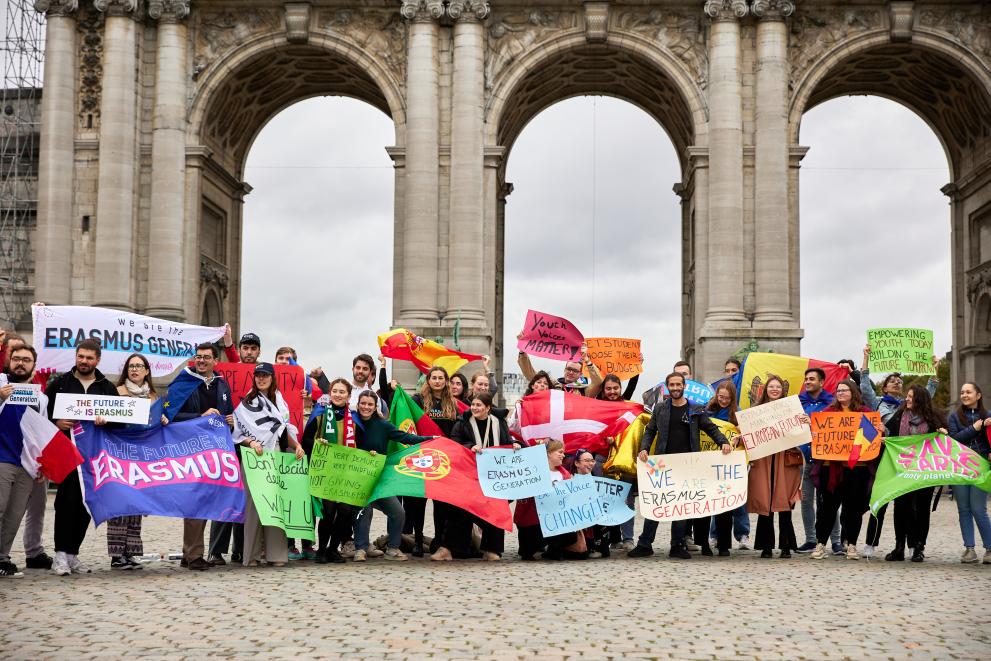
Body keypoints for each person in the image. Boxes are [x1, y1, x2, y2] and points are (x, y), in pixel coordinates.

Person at [628, 372, 731, 559]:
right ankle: (645, 544)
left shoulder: (695, 409)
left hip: (687, 466)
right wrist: (644, 448)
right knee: (657, 503)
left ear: (684, 386)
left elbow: (710, 428)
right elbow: (650, 431)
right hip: (662, 464)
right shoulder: (659, 408)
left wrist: (723, 442)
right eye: (672, 385)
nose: (675, 388)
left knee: (681, 505)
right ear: (668, 387)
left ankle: (677, 544)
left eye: (678, 384)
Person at [45, 338, 120, 576]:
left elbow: (120, 420)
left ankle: (72, 554)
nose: (84, 361)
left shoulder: (106, 387)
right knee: (66, 502)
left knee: (86, 504)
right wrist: (56, 423)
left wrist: (108, 420)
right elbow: (41, 415)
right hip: (67, 454)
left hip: (94, 457)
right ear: (76, 357)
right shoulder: (60, 384)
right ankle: (59, 555)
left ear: (97, 360)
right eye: (81, 357)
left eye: (89, 358)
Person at [168, 342, 235, 571]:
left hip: (214, 451)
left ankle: (192, 554)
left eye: (206, 357)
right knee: (195, 501)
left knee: (206, 500)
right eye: (198, 357)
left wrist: (230, 421)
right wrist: (200, 415)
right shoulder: (183, 382)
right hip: (190, 449)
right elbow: (170, 416)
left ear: (215, 361)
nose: (202, 361)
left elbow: (228, 413)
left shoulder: (222, 385)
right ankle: (193, 554)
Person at [233, 363, 305, 567]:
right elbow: (238, 433)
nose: (261, 379)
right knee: (254, 507)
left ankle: (276, 554)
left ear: (272, 378)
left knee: (275, 504)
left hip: (276, 455)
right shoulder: (247, 402)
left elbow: (283, 431)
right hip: (254, 457)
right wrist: (251, 442)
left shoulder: (280, 403)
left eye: (265, 375)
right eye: (258, 375)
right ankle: (252, 555)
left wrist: (297, 444)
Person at [352, 390, 433, 562]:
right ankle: (361, 548)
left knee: (398, 513)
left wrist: (431, 439)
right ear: (358, 404)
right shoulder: (352, 422)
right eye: (363, 403)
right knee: (363, 511)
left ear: (376, 407)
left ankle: (393, 549)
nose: (366, 407)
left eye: (370, 404)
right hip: (358, 479)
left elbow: (406, 437)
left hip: (379, 478)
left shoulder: (383, 425)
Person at [809, 379, 886, 561]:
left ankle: (851, 544)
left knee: (853, 509)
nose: (840, 393)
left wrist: (880, 430)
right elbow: (819, 434)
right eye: (838, 390)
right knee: (827, 509)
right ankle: (820, 544)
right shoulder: (828, 413)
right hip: (831, 469)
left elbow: (872, 437)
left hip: (857, 470)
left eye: (844, 390)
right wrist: (813, 433)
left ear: (853, 392)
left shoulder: (866, 413)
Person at [434, 392, 515, 561]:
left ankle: (491, 550)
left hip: (493, 476)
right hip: (468, 475)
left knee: (495, 508)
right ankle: (449, 549)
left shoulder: (499, 423)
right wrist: (470, 446)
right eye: (473, 405)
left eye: (479, 405)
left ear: (488, 408)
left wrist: (515, 444)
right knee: (460, 509)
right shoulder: (462, 423)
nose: (475, 408)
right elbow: (455, 444)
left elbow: (506, 442)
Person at [207, 330, 260, 565]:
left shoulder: (265, 374)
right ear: (240, 351)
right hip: (227, 441)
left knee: (247, 498)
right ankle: (216, 550)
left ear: (259, 351)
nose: (249, 352)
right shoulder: (227, 374)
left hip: (253, 443)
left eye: (253, 348)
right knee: (225, 496)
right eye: (245, 348)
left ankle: (240, 549)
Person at [878, 385, 947, 563]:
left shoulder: (934, 419)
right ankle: (899, 546)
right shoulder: (900, 415)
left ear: (920, 400)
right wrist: (882, 432)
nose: (907, 399)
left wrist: (943, 434)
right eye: (907, 396)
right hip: (902, 470)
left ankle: (918, 547)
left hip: (924, 471)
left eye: (911, 397)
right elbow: (889, 432)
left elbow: (947, 440)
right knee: (901, 508)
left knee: (922, 509)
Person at [0, 344, 51, 578]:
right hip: (2, 458)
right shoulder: (0, 383)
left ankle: (2, 558)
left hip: (26, 463)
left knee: (14, 513)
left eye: (26, 360)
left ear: (33, 365)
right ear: (9, 362)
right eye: (16, 359)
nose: (20, 363)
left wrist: (41, 462)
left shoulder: (40, 397)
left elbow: (41, 431)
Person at [106, 352, 158, 570]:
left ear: (147, 371)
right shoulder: (116, 393)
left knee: (136, 505)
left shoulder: (154, 398)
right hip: (120, 454)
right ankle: (117, 555)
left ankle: (132, 552)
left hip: (142, 458)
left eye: (139, 366)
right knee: (120, 504)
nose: (135, 369)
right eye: (131, 366)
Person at [747, 375, 804, 559]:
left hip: (785, 460)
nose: (774, 389)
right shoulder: (755, 411)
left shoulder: (791, 409)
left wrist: (804, 423)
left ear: (782, 390)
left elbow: (799, 433)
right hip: (764, 460)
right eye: (771, 386)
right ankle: (766, 546)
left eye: (778, 386)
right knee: (766, 502)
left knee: (784, 501)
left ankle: (786, 546)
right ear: (766, 389)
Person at [302, 378, 356, 564]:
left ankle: (334, 549)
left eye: (342, 392)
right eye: (335, 391)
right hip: (325, 471)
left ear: (348, 396)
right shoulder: (320, 414)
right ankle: (322, 550)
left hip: (346, 473)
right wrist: (318, 444)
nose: (338, 395)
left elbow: (361, 444)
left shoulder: (354, 418)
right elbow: (306, 440)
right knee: (328, 511)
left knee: (345, 511)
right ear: (329, 393)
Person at [411, 367, 461, 556]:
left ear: (446, 381)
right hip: (422, 456)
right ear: (428, 380)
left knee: (441, 504)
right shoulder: (418, 400)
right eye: (434, 378)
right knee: (418, 502)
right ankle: (417, 540)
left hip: (443, 458)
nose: (438, 381)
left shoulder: (453, 404)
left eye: (441, 378)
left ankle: (439, 540)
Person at [514, 440, 587, 560]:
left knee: (571, 536)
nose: (563, 455)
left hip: (555, 520)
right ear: (549, 453)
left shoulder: (564, 474)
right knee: (527, 553)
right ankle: (541, 546)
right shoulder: (532, 471)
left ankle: (554, 548)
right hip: (534, 520)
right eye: (560, 452)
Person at [797, 367, 840, 555]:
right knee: (806, 502)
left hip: (826, 462)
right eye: (806, 379)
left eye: (811, 379)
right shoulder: (797, 403)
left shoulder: (832, 403)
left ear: (822, 382)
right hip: (806, 460)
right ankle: (811, 539)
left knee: (828, 503)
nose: (807, 382)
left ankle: (836, 541)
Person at [947, 382, 991, 564]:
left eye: (969, 392)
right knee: (963, 508)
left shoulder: (988, 416)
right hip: (960, 467)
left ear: (978, 395)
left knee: (978, 508)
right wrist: (975, 428)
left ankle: (989, 549)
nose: (964, 395)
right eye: (962, 392)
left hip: (980, 467)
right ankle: (969, 549)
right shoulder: (954, 417)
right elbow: (954, 440)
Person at [704, 380, 751, 550]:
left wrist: (741, 433)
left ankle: (743, 534)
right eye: (720, 397)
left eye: (727, 398)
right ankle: (715, 535)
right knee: (716, 499)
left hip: (733, 462)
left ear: (733, 398)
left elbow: (749, 437)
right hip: (712, 460)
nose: (723, 400)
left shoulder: (738, 414)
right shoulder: (708, 410)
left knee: (737, 499)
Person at [597, 373, 639, 550]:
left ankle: (628, 538)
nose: (612, 391)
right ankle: (610, 538)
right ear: (603, 390)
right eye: (608, 388)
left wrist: (636, 368)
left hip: (623, 459)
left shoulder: (629, 407)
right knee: (604, 498)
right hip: (602, 457)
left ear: (620, 389)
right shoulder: (596, 406)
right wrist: (603, 440)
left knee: (626, 499)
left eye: (615, 388)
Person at [859, 344, 938, 423]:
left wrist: (934, 369)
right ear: (885, 388)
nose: (896, 383)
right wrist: (866, 357)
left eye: (899, 382)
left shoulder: (908, 403)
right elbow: (865, 387)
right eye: (892, 381)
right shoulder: (876, 402)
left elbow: (925, 396)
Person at [517, 333, 603, 397]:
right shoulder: (553, 385)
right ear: (564, 369)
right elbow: (530, 374)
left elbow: (598, 382)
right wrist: (522, 350)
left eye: (575, 371)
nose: (571, 372)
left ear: (580, 374)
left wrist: (587, 361)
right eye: (568, 369)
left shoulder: (585, 390)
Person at [573, 448, 611, 558]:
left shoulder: (599, 482)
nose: (590, 463)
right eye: (586, 460)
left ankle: (598, 547)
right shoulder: (569, 480)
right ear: (577, 463)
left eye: (592, 461)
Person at [508, 370, 555, 438]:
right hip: (527, 445)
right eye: (539, 382)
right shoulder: (523, 404)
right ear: (532, 386)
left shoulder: (552, 406)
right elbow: (513, 429)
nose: (542, 385)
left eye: (545, 383)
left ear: (548, 388)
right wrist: (517, 412)